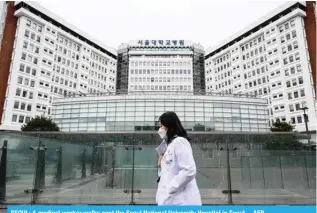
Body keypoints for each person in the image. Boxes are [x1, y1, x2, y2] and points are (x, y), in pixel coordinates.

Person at [155, 111, 202, 206]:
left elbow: (189, 170)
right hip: (170, 201)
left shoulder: (180, 142)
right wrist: (161, 157)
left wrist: (170, 188)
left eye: (162, 126)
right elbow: (166, 170)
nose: (160, 129)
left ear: (169, 126)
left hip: (181, 202)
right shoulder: (170, 145)